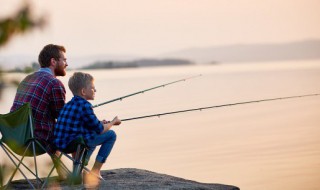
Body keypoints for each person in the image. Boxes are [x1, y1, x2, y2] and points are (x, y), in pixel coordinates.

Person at [10, 44, 68, 177]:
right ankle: (76, 175)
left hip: (14, 139)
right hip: (34, 142)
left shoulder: (26, 79)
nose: (66, 63)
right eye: (64, 60)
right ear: (53, 61)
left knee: (49, 127)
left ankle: (63, 172)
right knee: (73, 129)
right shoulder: (54, 83)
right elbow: (62, 118)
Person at [53, 72, 120, 184]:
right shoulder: (85, 106)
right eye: (93, 88)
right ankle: (95, 171)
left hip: (60, 144)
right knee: (111, 135)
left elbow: (84, 123)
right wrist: (112, 122)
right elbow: (100, 129)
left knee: (90, 133)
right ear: (83, 91)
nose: (95, 90)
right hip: (74, 144)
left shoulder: (68, 104)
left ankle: (80, 168)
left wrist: (99, 122)